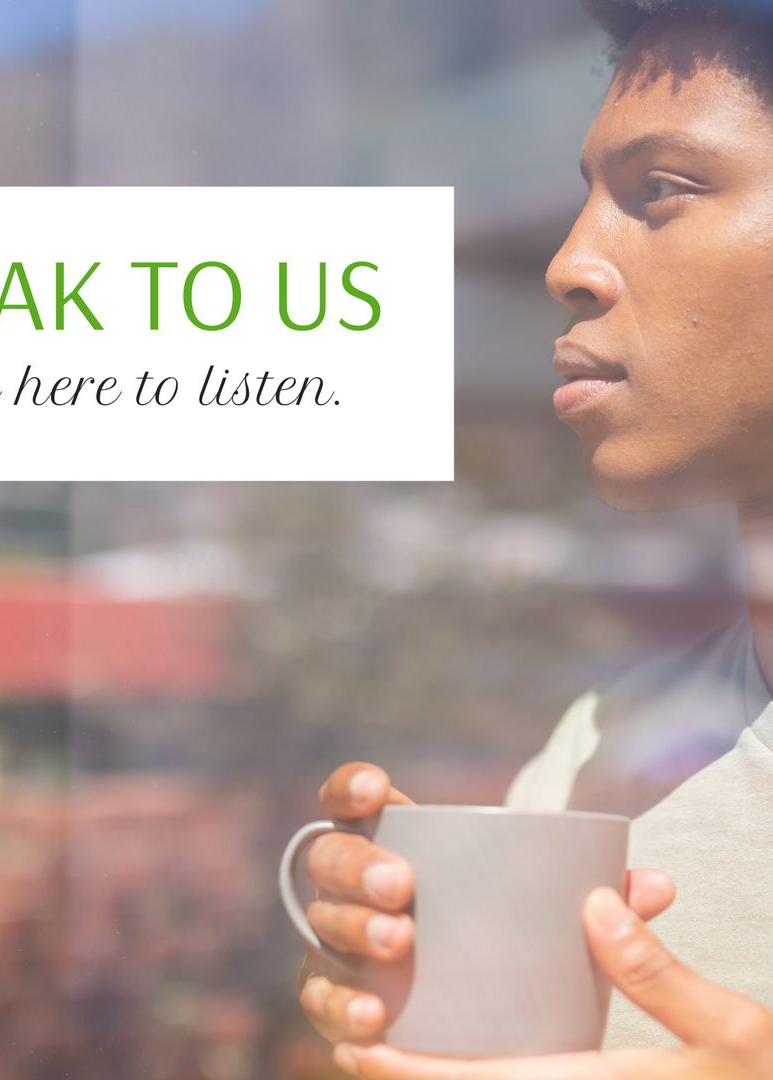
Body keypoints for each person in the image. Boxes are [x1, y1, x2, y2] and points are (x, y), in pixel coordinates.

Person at [296, 3, 773, 1077]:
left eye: (662, 189)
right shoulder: (599, 746)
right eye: (587, 197)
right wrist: (399, 990)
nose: (569, 262)